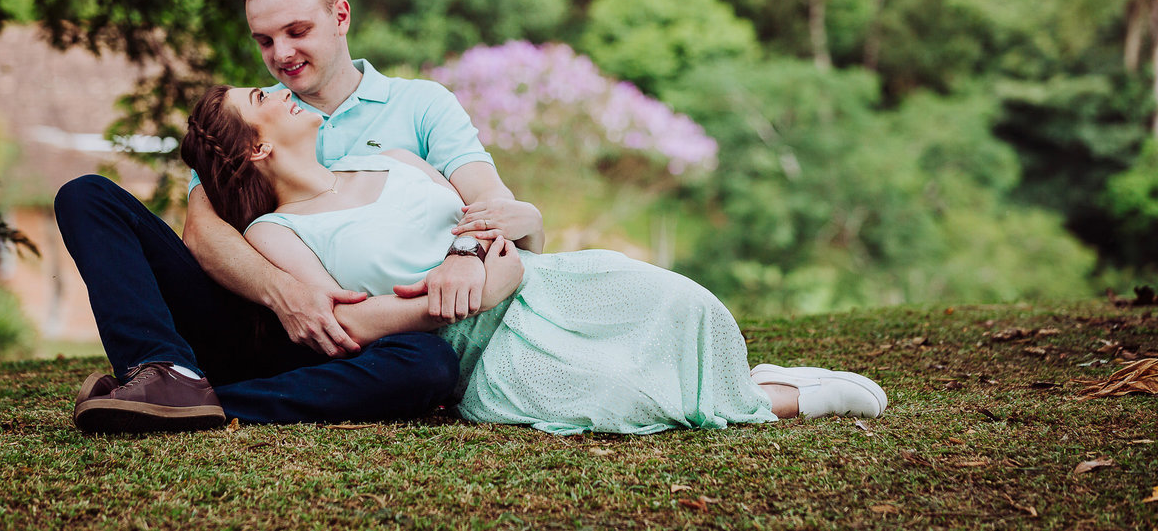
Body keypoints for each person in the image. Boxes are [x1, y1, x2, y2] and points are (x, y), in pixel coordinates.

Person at [178, 83, 888, 434]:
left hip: (543, 283)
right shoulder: (277, 232)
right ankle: (781, 398)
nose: (279, 88)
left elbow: (484, 221)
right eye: (259, 97)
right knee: (620, 394)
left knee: (684, 304)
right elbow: (345, 327)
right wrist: (454, 300)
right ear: (257, 147)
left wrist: (489, 261)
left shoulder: (388, 158)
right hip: (476, 346)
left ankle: (747, 375)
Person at [59, 0, 542, 433]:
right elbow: (203, 235)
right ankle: (164, 371)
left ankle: (209, 403)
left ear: (340, 16)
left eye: (297, 32)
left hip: (357, 336)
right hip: (246, 322)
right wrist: (287, 294)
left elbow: (489, 200)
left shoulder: (419, 105)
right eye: (265, 41)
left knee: (427, 362)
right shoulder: (242, 127)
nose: (281, 55)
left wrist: (468, 253)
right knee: (87, 196)